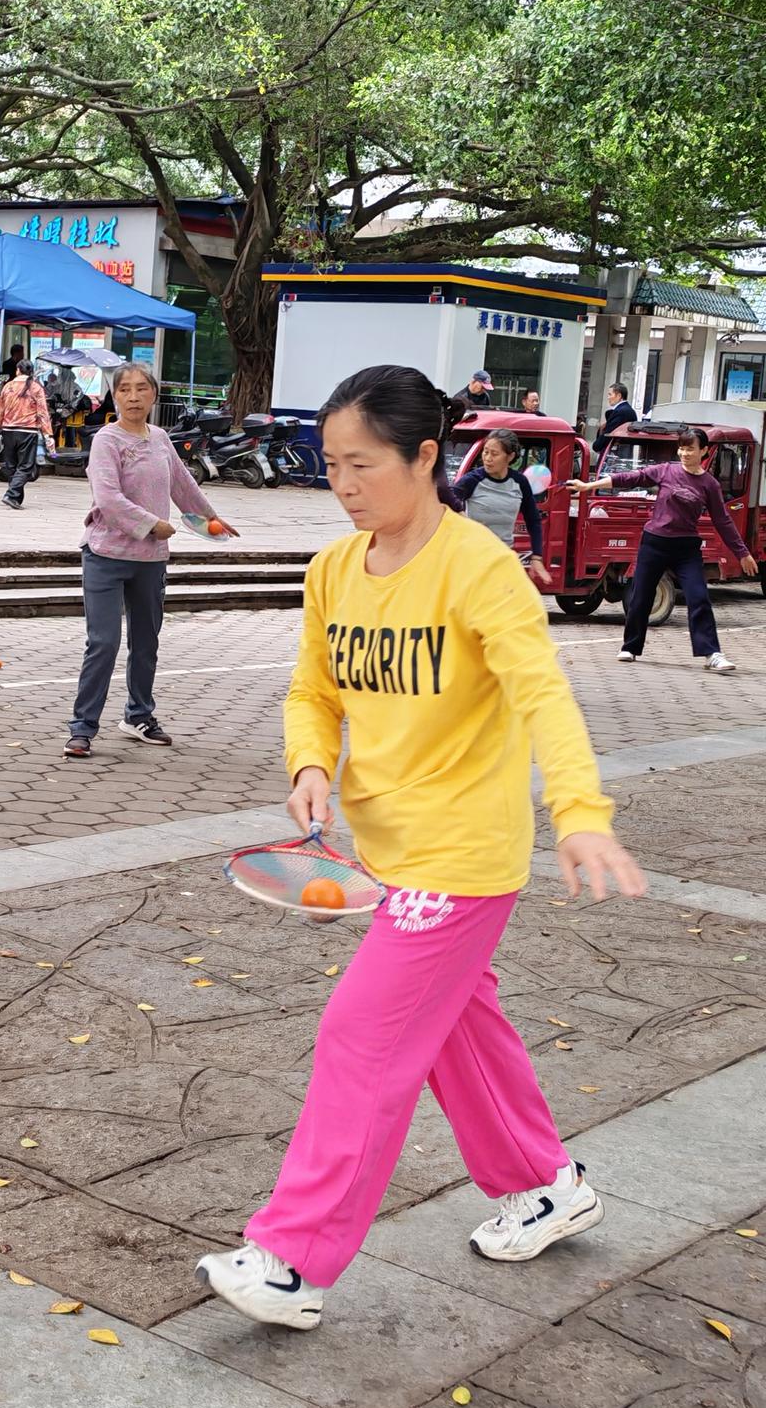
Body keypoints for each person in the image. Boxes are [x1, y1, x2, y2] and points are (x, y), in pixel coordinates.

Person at [195, 363, 645, 1330]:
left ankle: (293, 1258)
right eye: (331, 465)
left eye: (362, 465)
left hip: (464, 860)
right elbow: (313, 690)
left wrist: (581, 813)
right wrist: (311, 764)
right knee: (454, 1031)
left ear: (427, 457)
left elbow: (543, 696)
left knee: (364, 1036)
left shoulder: (477, 568)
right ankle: (545, 1185)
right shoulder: (331, 568)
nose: (343, 484)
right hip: (385, 852)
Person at [64, 363, 238, 757]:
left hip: (150, 560)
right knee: (103, 644)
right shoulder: (107, 441)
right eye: (124, 389)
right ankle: (82, 727)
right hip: (106, 556)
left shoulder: (160, 438)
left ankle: (139, 716)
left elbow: (182, 483)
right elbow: (107, 499)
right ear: (114, 396)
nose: (134, 396)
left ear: (154, 395)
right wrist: (152, 524)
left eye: (142, 389)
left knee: (146, 643)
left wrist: (209, 516)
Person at [570, 428, 757, 672]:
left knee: (698, 597)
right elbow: (631, 478)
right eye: (681, 447)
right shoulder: (666, 471)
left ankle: (712, 653)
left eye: (690, 448)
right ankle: (630, 646)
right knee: (641, 596)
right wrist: (588, 485)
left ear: (704, 451)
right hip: (655, 542)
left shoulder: (709, 484)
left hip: (686, 548)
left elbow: (722, 521)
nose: (684, 453)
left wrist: (742, 553)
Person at [452, 428, 551, 585]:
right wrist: (462, 515)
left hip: (502, 559)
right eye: (485, 452)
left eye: (494, 454)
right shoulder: (473, 480)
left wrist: (537, 557)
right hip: (472, 559)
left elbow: (533, 520)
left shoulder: (519, 483)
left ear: (510, 457)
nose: (488, 458)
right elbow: (447, 499)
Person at [0, 359, 56, 510]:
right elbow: (43, 414)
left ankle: (16, 498)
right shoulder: (36, 388)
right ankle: (11, 495)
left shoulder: (8, 386)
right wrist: (48, 435)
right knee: (25, 466)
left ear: (18, 370)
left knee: (12, 466)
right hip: (27, 431)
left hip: (8, 431)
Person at [593, 382, 638, 452]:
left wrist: (597, 445)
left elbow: (609, 433)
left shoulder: (621, 412)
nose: (608, 397)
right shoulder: (626, 410)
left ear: (619, 396)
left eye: (610, 394)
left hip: (617, 453)